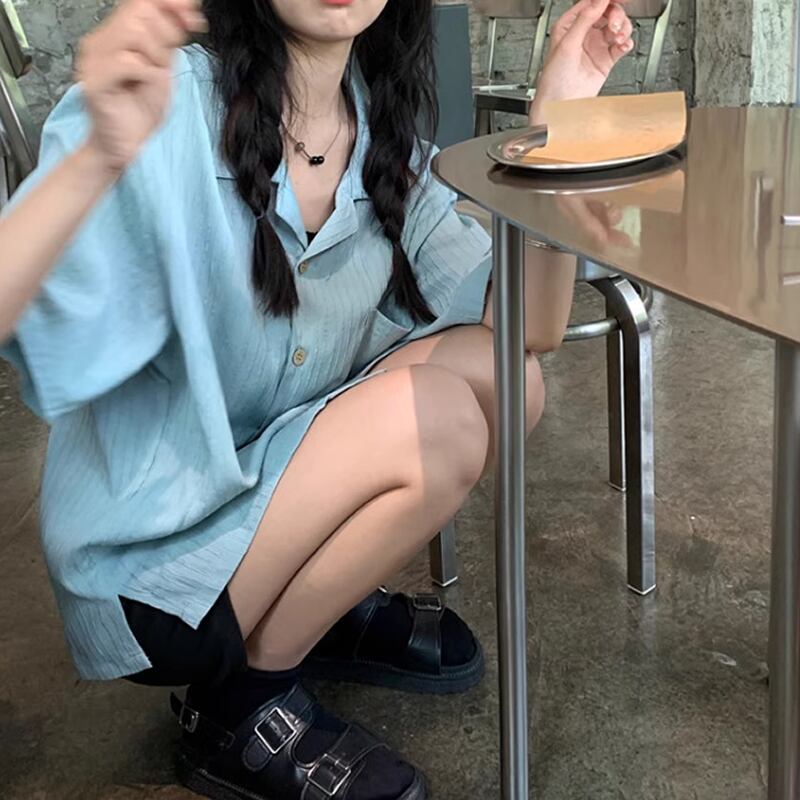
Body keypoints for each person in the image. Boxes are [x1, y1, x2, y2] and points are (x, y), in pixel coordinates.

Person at [1, 0, 634, 797]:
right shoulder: (165, 101)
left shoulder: (381, 139)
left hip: (272, 496)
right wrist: (94, 158)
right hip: (152, 564)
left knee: (509, 381)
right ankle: (240, 704)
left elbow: (528, 329)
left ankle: (309, 611)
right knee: (435, 420)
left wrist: (557, 126)